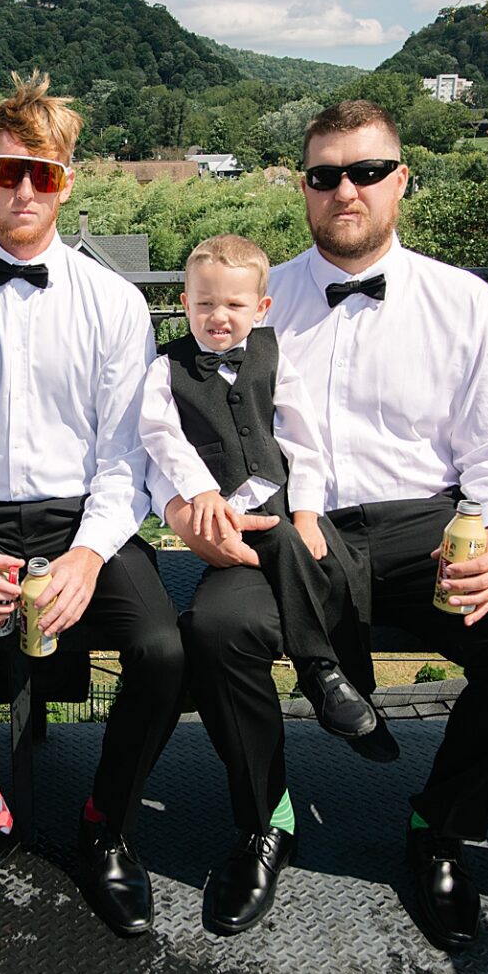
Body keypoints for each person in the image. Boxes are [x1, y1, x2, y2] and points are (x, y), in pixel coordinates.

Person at [181, 100, 488, 945]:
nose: (345, 191)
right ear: (303, 188)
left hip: (422, 527)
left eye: (365, 172)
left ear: (400, 179)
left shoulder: (464, 302)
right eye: (325, 176)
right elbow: (179, 424)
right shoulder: (254, 301)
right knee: (216, 629)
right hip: (287, 531)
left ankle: (440, 826)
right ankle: (264, 820)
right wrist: (184, 512)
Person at [0, 75, 185, 937]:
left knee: (162, 651)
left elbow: (125, 455)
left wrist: (89, 555)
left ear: (68, 181)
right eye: (9, 172)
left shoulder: (114, 303)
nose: (24, 191)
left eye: (43, 174)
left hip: (80, 517)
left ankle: (105, 822)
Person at [139, 235, 392, 752]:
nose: (218, 316)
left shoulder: (275, 357)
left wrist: (305, 513)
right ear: (184, 303)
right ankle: (320, 670)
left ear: (261, 307)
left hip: (279, 506)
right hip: (225, 515)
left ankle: (357, 691)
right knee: (279, 545)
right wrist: (201, 491)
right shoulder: (167, 368)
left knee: (340, 567)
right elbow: (161, 437)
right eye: (205, 303)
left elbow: (303, 441)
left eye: (234, 304)